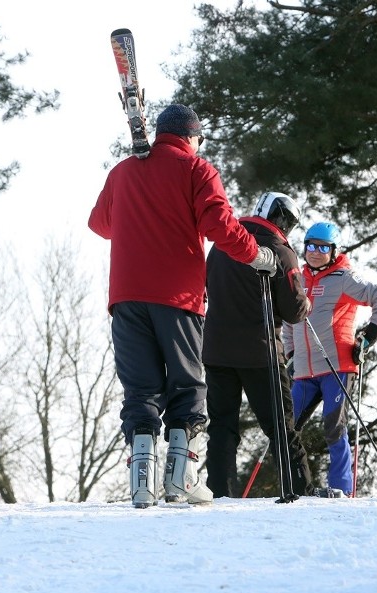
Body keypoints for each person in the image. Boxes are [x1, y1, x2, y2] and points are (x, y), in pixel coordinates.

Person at [88, 103, 276, 508]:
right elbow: (219, 226)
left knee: (140, 389)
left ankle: (141, 481)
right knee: (187, 384)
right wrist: (256, 255)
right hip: (178, 297)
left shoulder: (122, 170)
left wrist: (136, 190)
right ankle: (181, 479)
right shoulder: (197, 170)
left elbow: (99, 224)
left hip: (126, 297)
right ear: (191, 137)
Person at [203, 191, 314, 498]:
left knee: (222, 427)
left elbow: (207, 286)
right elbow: (293, 311)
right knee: (281, 426)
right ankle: (298, 490)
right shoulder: (280, 250)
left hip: (216, 349)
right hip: (260, 352)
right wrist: (306, 304)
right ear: (281, 219)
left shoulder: (222, 245)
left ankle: (219, 494)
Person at [283, 222, 377, 497]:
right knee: (285, 428)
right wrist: (290, 353)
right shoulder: (298, 279)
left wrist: (368, 335)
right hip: (304, 372)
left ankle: (342, 490)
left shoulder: (344, 278)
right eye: (311, 246)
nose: (315, 252)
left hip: (337, 367)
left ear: (334, 251)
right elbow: (289, 320)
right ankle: (296, 487)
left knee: (334, 429)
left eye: (323, 248)